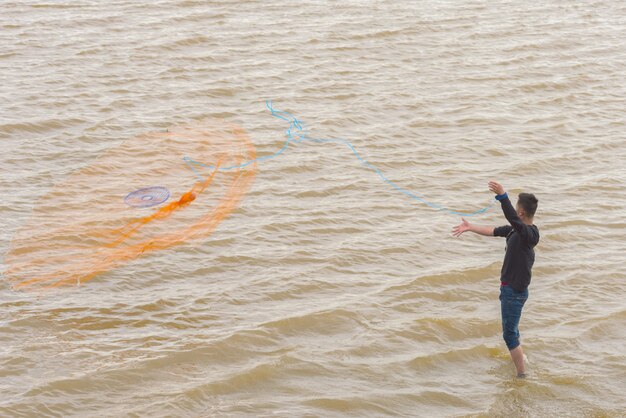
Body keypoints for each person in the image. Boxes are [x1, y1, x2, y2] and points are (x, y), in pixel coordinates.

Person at [451, 181, 539, 378]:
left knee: (508, 335)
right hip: (511, 290)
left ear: (522, 213)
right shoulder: (515, 230)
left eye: (517, 208)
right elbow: (493, 231)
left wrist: (502, 196)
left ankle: (521, 375)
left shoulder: (529, 234)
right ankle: (520, 358)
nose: (515, 211)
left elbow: (511, 217)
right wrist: (470, 227)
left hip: (514, 292)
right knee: (512, 329)